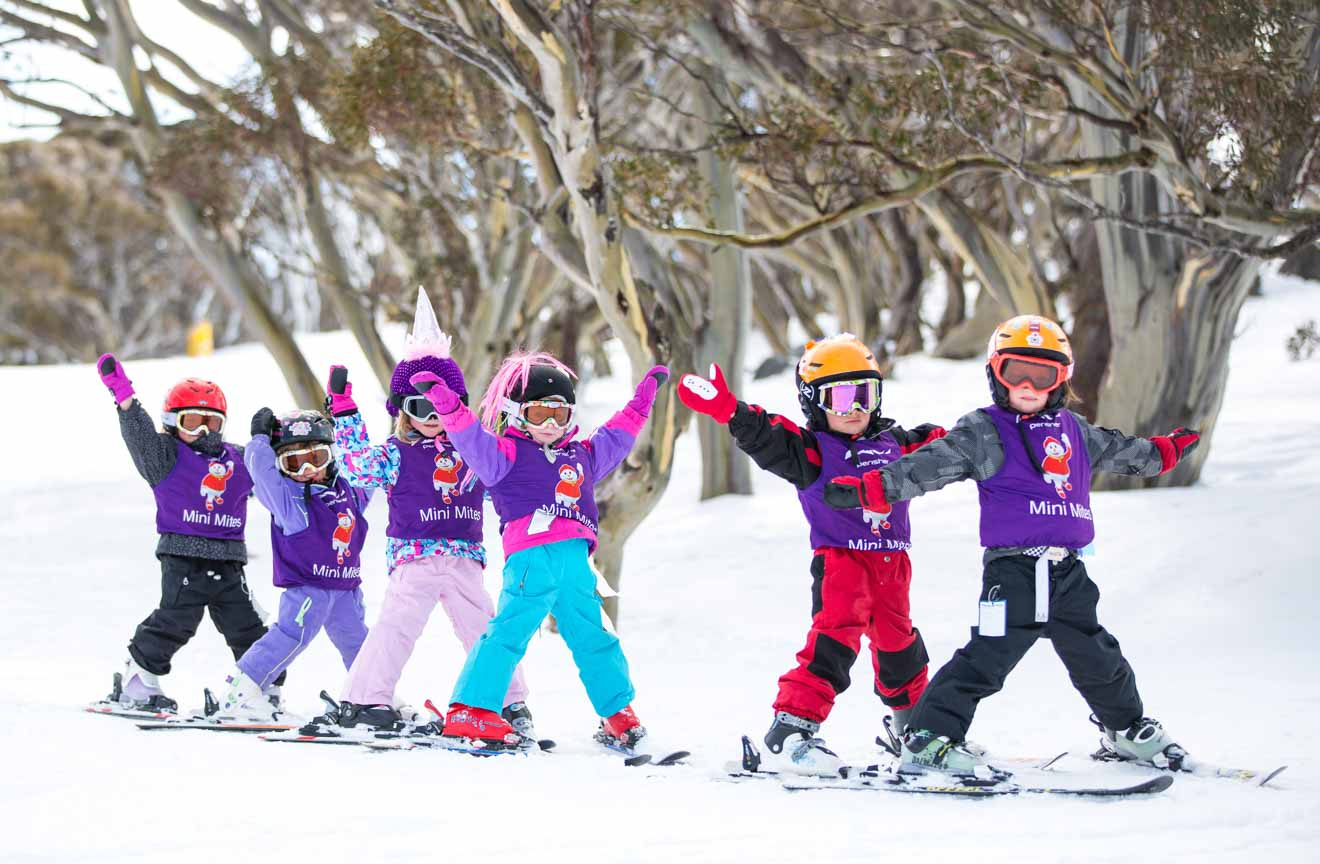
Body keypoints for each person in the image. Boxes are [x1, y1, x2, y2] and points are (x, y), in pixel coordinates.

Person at [825, 315, 1201, 775]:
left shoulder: (1076, 431)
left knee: (1097, 654)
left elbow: (1124, 451)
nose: (1027, 384)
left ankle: (1125, 729)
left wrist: (1164, 451)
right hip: (1013, 573)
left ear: (1061, 380)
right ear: (995, 373)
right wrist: (872, 489)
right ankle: (928, 738)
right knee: (987, 658)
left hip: (1068, 574)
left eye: (1042, 375)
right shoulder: (984, 431)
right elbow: (928, 466)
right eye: (1014, 372)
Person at [678, 335, 945, 775]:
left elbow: (946, 447)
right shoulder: (812, 451)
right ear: (813, 402)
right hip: (843, 564)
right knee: (834, 642)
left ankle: (914, 730)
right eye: (841, 398)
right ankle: (792, 729)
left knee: (901, 647)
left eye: (866, 394)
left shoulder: (898, 445)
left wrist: (991, 437)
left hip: (892, 566)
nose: (855, 408)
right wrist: (730, 410)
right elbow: (767, 435)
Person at [407, 352, 667, 751]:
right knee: (508, 633)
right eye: (540, 413)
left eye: (559, 415)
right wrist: (445, 403)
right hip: (531, 561)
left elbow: (615, 437)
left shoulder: (580, 456)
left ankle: (618, 714)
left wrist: (642, 403)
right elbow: (470, 438)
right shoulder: (504, 455)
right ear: (515, 413)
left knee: (595, 636)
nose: (550, 424)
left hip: (577, 564)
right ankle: (470, 711)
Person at [316, 289, 532, 737]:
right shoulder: (396, 453)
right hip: (414, 554)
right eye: (418, 407)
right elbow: (357, 467)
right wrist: (345, 411)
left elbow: (505, 483)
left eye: (439, 404)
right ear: (402, 411)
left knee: (486, 630)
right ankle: (364, 700)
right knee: (396, 627)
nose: (431, 416)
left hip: (465, 555)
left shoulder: (474, 451)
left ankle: (507, 703)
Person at [94, 354, 277, 712]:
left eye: (212, 421)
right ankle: (138, 680)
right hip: (183, 559)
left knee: (248, 626)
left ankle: (260, 687)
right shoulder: (166, 456)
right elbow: (141, 438)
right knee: (177, 620)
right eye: (194, 422)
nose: (205, 430)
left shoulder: (237, 459)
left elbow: (271, 477)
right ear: (172, 423)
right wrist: (124, 396)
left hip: (228, 562)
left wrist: (269, 441)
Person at [208, 409, 373, 720]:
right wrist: (259, 440)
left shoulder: (349, 492)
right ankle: (241, 690)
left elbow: (364, 464)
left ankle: (372, 694)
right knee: (291, 636)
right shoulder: (289, 501)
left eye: (317, 458)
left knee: (358, 642)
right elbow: (262, 473)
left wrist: (346, 412)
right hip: (308, 587)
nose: (308, 469)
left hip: (345, 588)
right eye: (295, 463)